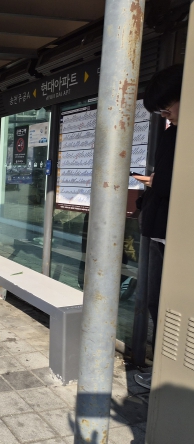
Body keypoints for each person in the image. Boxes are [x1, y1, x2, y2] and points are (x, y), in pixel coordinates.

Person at [133, 64, 183, 389]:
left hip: (175, 234)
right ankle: (163, 370)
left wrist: (154, 182)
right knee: (155, 302)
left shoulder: (179, 136)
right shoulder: (171, 134)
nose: (166, 116)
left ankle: (171, 374)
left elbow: (168, 182)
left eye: (167, 108)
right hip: (157, 229)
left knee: (171, 306)